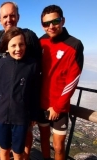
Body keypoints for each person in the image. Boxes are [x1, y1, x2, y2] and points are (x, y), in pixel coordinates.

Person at [0, 2, 42, 160]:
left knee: (23, 139)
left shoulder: (29, 36)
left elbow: (36, 71)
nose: (9, 19)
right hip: (4, 108)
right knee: (4, 146)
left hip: (22, 107)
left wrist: (33, 110)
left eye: (12, 15)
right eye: (5, 16)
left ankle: (26, 156)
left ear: (18, 17)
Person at [38, 5, 84, 160]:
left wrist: (58, 106)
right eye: (46, 23)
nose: (51, 26)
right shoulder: (41, 42)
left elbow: (73, 79)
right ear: (42, 25)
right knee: (44, 139)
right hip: (41, 102)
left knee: (58, 146)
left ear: (63, 20)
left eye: (55, 21)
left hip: (59, 107)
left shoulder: (74, 45)